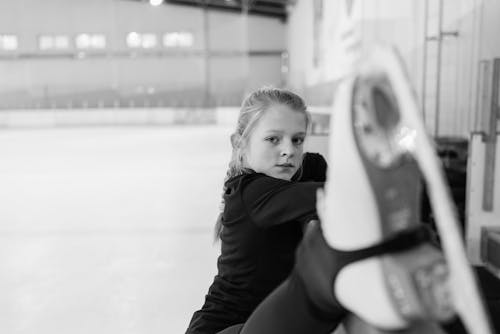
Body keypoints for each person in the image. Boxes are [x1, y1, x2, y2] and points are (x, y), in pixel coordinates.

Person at [185, 86, 347, 334]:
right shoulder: (250, 193)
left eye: (297, 139)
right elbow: (341, 196)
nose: (289, 150)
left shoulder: (306, 169)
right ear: (240, 143)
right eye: (273, 139)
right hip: (225, 328)